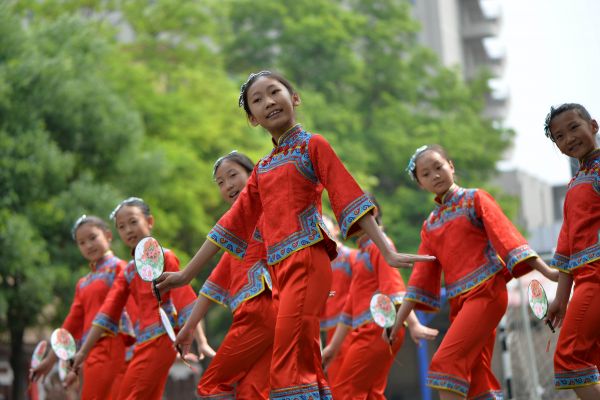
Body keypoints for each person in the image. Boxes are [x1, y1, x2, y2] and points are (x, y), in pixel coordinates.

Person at [156, 70, 435, 399]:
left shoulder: (312, 145)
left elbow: (345, 192)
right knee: (304, 367)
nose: (269, 102)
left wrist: (385, 250)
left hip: (307, 262)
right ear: (252, 119)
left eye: (275, 92)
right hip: (280, 274)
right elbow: (231, 224)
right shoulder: (261, 169)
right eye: (257, 100)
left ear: (295, 98)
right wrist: (186, 273)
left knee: (286, 368)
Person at [389, 144, 558, 400]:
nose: (434, 175)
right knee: (476, 381)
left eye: (438, 167)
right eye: (425, 174)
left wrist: (547, 271)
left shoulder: (474, 198)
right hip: (460, 304)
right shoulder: (430, 225)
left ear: (451, 166)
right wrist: (398, 321)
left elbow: (506, 236)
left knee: (445, 362)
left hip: (487, 293)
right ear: (420, 184)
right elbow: (420, 277)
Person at [70, 198, 213, 399]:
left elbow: (184, 298)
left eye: (133, 222)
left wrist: (202, 340)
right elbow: (107, 312)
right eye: (122, 226)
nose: (128, 230)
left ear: (150, 222)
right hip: (143, 343)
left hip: (163, 338)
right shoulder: (128, 271)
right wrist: (83, 352)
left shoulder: (165, 256)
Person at [176, 151, 275, 399]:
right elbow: (211, 286)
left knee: (210, 386)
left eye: (233, 176)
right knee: (251, 391)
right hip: (270, 316)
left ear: (252, 175)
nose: (228, 185)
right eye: (220, 182)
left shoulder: (268, 211)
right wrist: (189, 328)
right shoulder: (234, 239)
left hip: (258, 310)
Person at [322, 197, 438, 398]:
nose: (345, 222)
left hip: (377, 329)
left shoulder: (378, 245)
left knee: (345, 390)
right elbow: (350, 307)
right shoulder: (363, 253)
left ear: (372, 213)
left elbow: (394, 288)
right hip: (370, 329)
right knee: (371, 393)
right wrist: (332, 347)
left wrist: (413, 324)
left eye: (349, 215)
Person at [30, 215, 136, 399]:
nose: (88, 245)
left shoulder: (120, 268)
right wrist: (49, 360)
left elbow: (137, 307)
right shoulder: (83, 283)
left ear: (108, 235)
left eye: (93, 238)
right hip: (89, 354)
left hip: (114, 345)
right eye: (82, 242)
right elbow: (71, 325)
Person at [543, 103, 600, 400]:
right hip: (586, 282)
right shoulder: (575, 184)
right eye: (559, 137)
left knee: (568, 361)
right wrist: (561, 299)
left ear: (593, 125)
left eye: (574, 128)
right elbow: (565, 249)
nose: (569, 139)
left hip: (597, 281)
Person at [318, 215, 357, 384]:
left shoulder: (351, 257)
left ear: (335, 230)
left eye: (325, 229)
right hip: (329, 333)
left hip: (352, 329)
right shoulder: (317, 265)